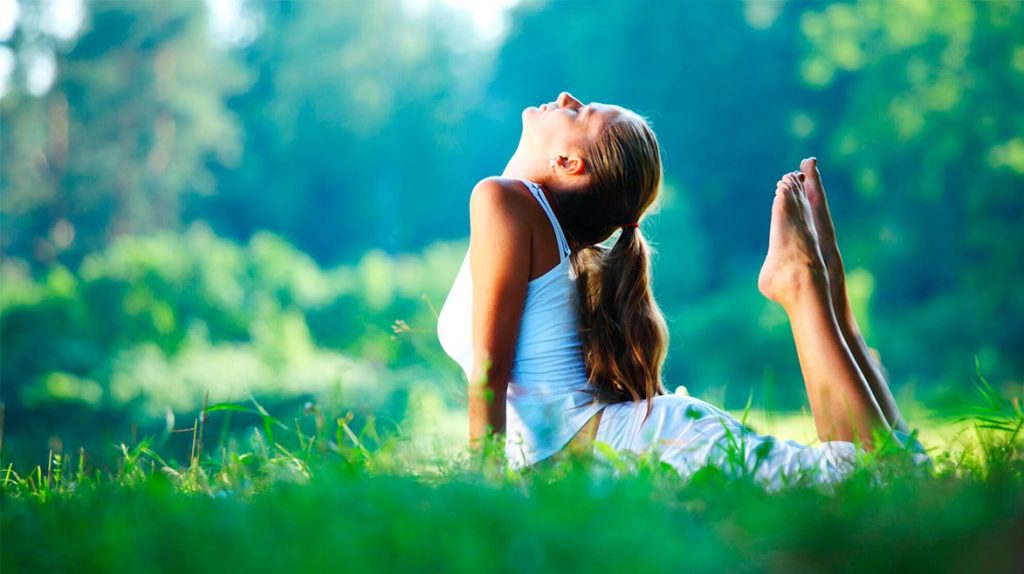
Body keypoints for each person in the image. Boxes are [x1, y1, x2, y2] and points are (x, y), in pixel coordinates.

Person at [436, 91, 925, 487]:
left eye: (580, 111)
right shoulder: (526, 216)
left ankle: (804, 284)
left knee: (882, 480)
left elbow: (489, 367)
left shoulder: (502, 200)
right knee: (903, 474)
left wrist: (486, 482)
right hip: (642, 441)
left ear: (568, 161)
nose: (565, 97)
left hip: (643, 444)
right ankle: (829, 296)